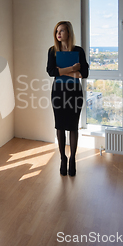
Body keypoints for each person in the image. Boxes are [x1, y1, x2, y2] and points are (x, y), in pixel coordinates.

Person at [46, 21, 89, 176]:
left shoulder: (78, 51)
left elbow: (84, 73)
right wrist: (71, 69)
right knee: (60, 127)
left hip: (74, 92)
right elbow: (51, 72)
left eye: (62, 31)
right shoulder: (52, 51)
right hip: (58, 92)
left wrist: (61, 71)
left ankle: (72, 160)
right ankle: (63, 158)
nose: (58, 33)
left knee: (73, 127)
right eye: (57, 30)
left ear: (69, 33)